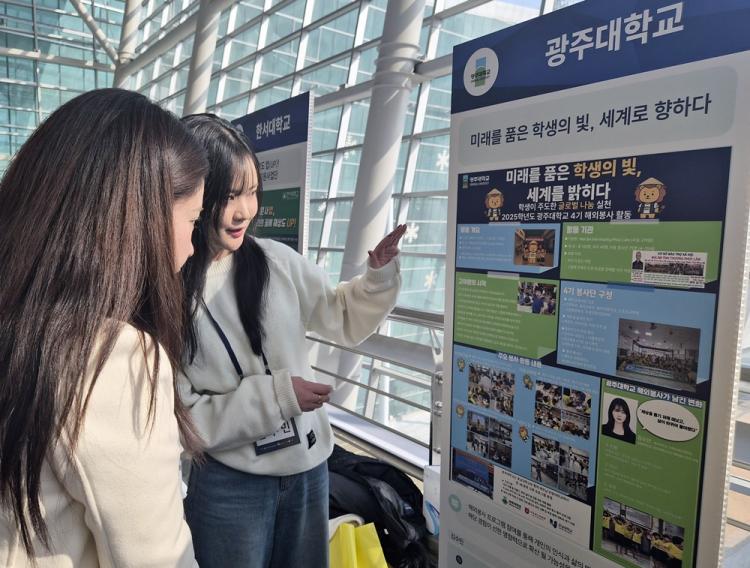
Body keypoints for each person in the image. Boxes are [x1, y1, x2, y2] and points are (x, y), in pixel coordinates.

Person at [178, 114, 405, 568]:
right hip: (229, 482)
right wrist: (279, 397)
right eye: (229, 195)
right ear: (195, 195)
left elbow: (341, 315)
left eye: (251, 192)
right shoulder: (171, 291)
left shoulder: (275, 261)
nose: (245, 211)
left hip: (308, 470)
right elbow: (183, 416)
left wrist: (376, 278)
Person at [0, 89, 207, 566]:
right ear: (141, 221)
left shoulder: (20, 322)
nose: (191, 247)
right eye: (191, 221)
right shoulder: (111, 359)